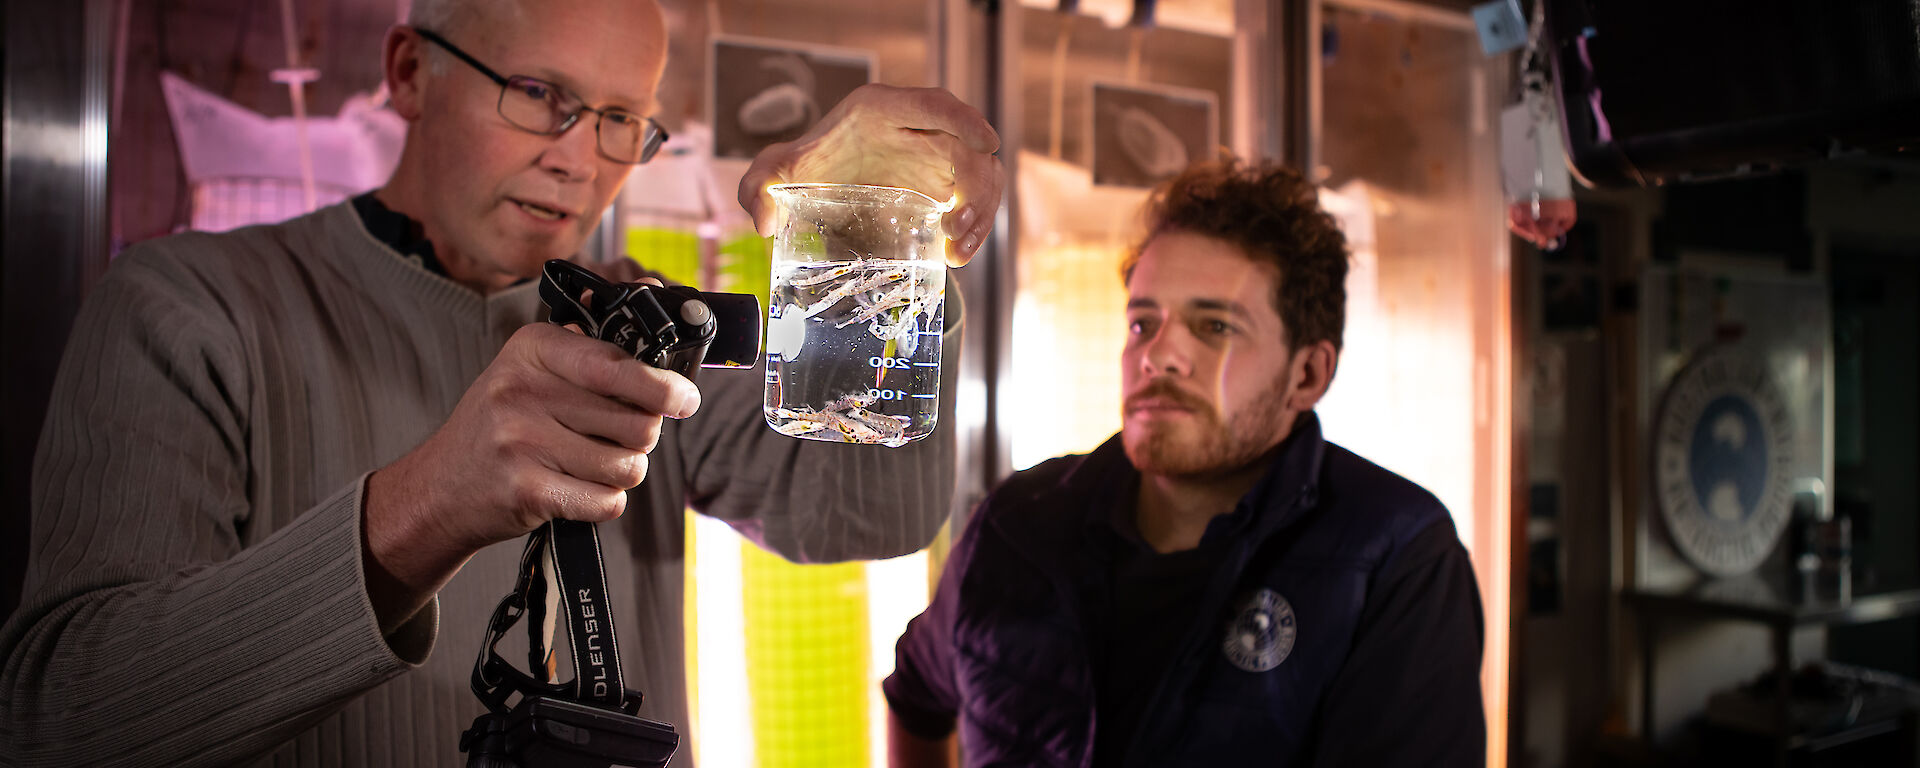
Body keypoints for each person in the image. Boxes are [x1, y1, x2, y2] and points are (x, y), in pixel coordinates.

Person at [0, 0, 1002, 765]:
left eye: (621, 119)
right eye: (542, 97)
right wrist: (430, 505)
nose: (579, 160)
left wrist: (879, 237)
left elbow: (876, 508)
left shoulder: (637, 317)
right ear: (407, 72)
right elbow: (60, 716)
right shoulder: (189, 307)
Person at [884, 159, 1484, 767]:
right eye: (1144, 322)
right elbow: (916, 698)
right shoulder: (1019, 523)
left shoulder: (1395, 559)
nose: (1158, 355)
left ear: (1307, 374)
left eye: (1215, 326)